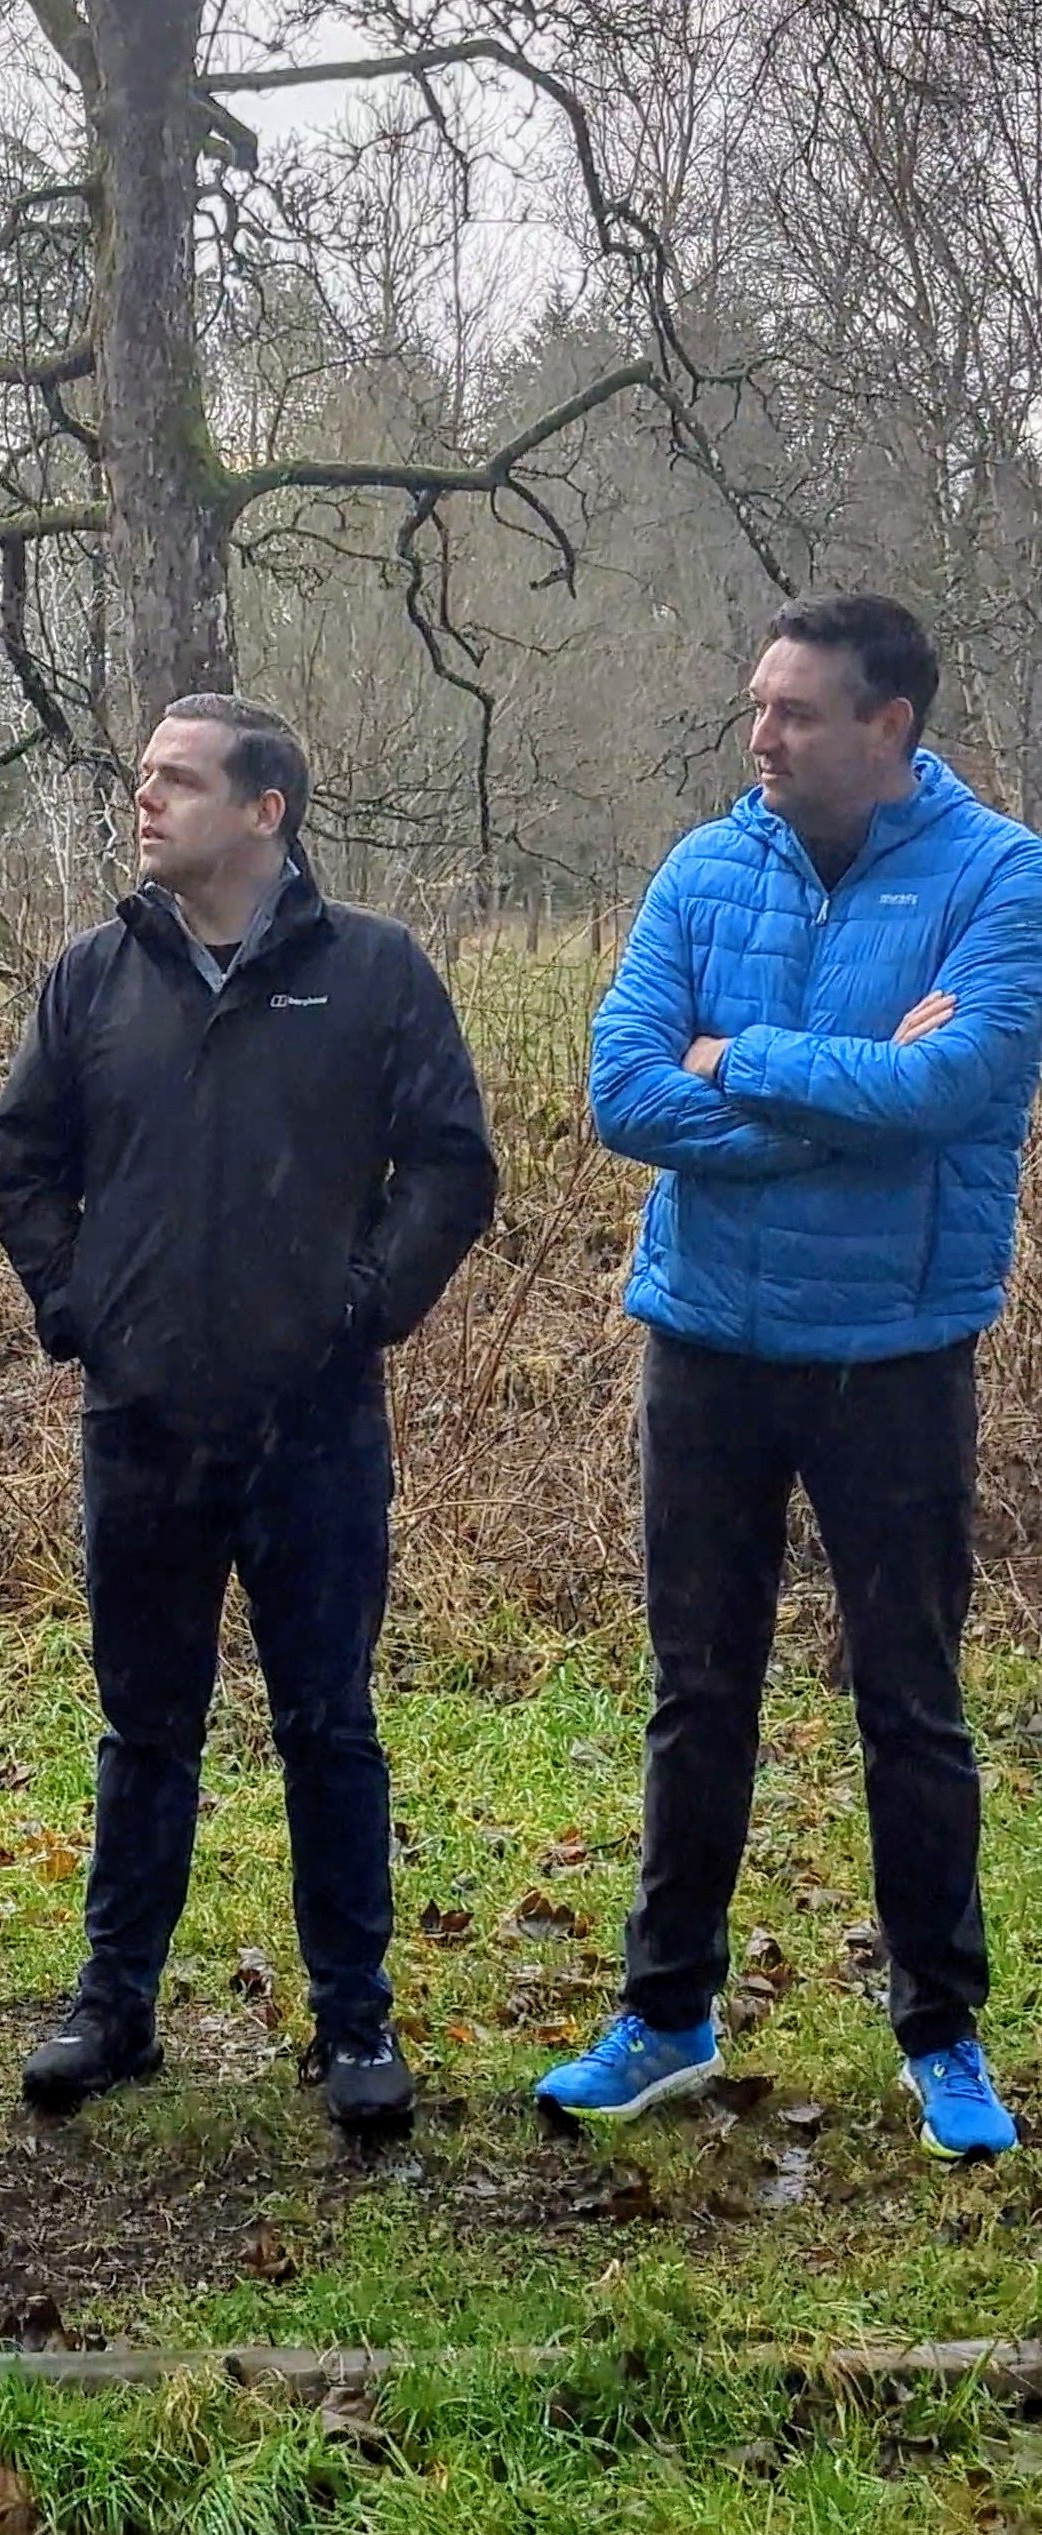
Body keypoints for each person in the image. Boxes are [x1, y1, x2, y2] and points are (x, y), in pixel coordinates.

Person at [539, 593, 1042, 2159]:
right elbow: (623, 1089)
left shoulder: (999, 875)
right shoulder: (704, 867)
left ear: (890, 728)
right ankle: (666, 2014)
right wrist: (853, 1098)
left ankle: (943, 2037)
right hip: (707, 1344)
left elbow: (966, 1078)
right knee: (699, 1697)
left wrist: (735, 1059)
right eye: (757, 706)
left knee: (913, 1703)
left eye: (797, 713)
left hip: (895, 1355)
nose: (761, 736)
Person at [0, 693, 496, 2128]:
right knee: (143, 1726)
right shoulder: (93, 979)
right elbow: (23, 1160)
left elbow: (453, 1168)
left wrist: (362, 1304)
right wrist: (76, 1305)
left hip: (317, 1425)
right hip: (140, 1423)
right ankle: (115, 2007)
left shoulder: (376, 975)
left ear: (266, 810)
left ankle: (354, 2027)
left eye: (178, 780)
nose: (144, 801)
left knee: (327, 1726)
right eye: (143, 777)